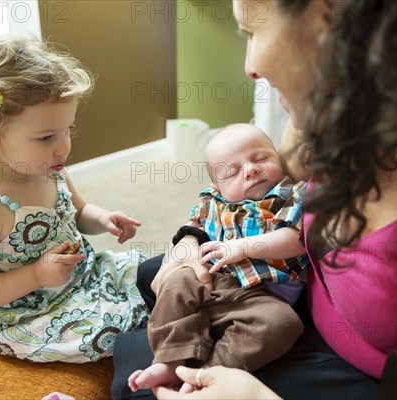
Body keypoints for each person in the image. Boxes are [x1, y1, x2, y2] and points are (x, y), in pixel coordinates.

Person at [113, 0, 397, 399]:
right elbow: (249, 194)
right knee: (153, 276)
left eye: (252, 31)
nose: (249, 66)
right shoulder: (330, 121)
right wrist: (188, 240)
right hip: (300, 286)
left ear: (333, 20)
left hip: (340, 360)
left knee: (137, 379)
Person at [0, 35, 150, 362]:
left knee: (162, 268)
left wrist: (102, 218)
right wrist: (35, 275)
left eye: (68, 130)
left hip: (83, 275)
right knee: (122, 332)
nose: (64, 147)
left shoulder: (50, 168)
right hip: (32, 312)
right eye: (47, 137)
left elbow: (77, 213)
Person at [128, 124, 308, 392]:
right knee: (175, 282)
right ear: (216, 185)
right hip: (214, 279)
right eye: (233, 172)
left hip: (262, 297)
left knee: (282, 325)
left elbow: (296, 241)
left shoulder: (291, 195)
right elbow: (194, 225)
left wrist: (243, 247)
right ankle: (170, 359)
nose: (251, 169)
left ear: (278, 158)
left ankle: (209, 372)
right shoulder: (212, 199)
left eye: (261, 159)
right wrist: (187, 244)